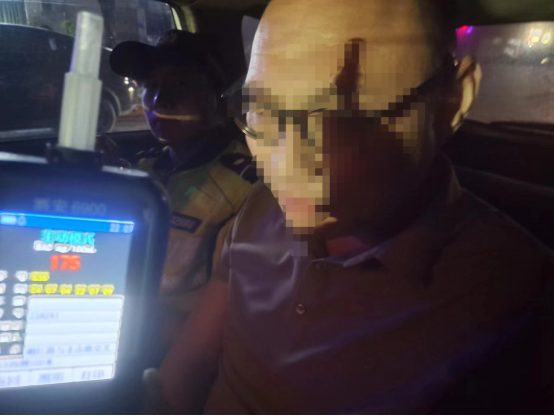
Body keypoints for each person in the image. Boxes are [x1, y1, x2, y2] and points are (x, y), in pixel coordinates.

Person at [157, 1, 554, 414]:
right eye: (262, 109)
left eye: (344, 115)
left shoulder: (520, 299)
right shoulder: (262, 206)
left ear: (452, 102)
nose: (285, 163)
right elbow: (187, 366)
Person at [109, 30, 257, 346]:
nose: (159, 100)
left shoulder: (245, 185)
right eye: (151, 85)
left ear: (217, 97)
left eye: (180, 85)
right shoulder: (143, 168)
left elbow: (230, 308)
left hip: (176, 344)